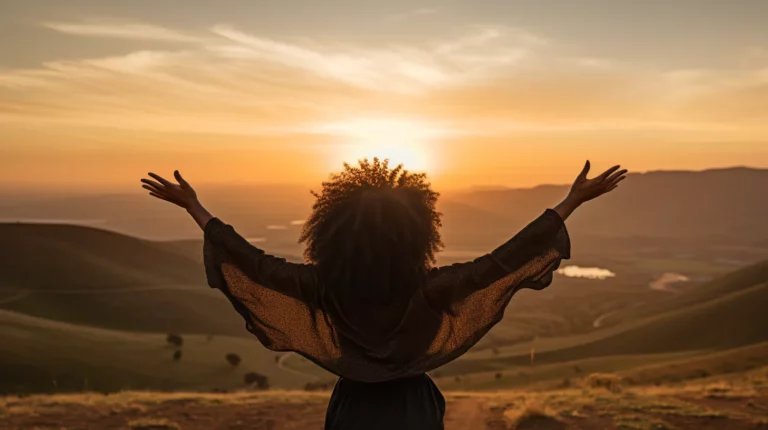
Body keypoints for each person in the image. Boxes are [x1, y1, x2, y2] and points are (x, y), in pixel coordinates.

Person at [141, 158, 626, 429]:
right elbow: (502, 260)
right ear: (417, 234)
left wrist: (196, 208)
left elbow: (249, 261)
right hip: (413, 408)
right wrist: (570, 202)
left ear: (332, 233)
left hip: (354, 409)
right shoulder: (432, 287)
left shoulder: (320, 286)